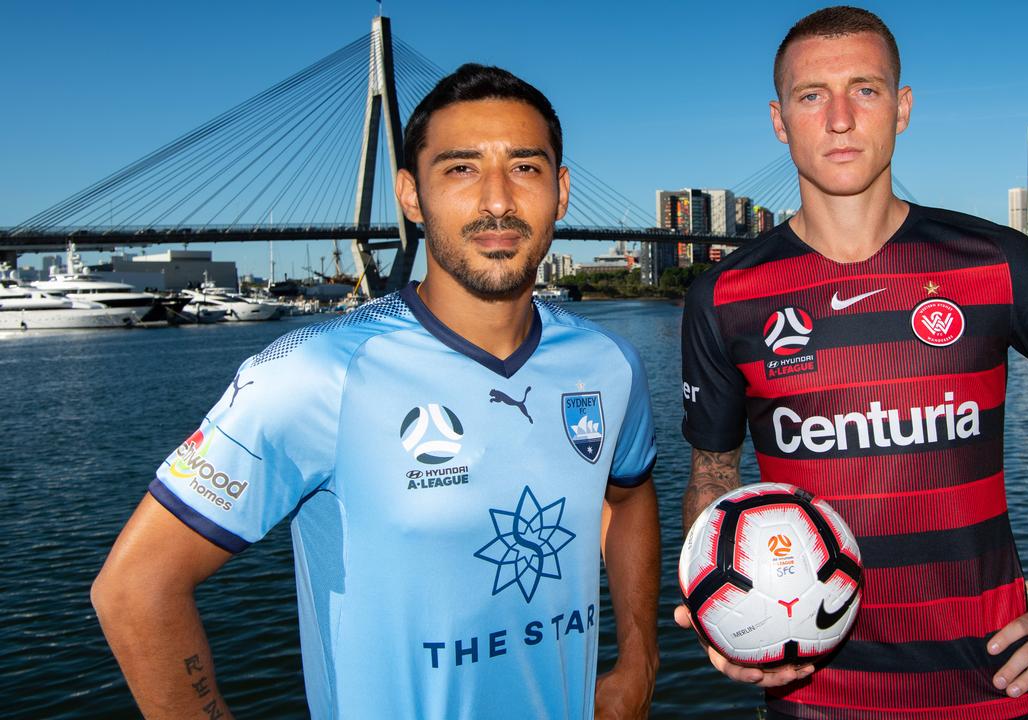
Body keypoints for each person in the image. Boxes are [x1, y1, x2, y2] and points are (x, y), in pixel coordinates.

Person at [92, 63, 660, 719]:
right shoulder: (313, 373)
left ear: (561, 192)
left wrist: (638, 662)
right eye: (461, 169)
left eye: (526, 168)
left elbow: (629, 492)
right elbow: (136, 589)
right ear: (410, 195)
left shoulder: (608, 363)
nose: (497, 200)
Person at [676, 7, 1028, 719]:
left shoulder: (997, 264)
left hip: (991, 689)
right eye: (812, 95)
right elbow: (714, 478)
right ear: (779, 120)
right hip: (814, 699)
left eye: (867, 89)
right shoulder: (724, 296)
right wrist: (718, 609)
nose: (841, 118)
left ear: (903, 108)